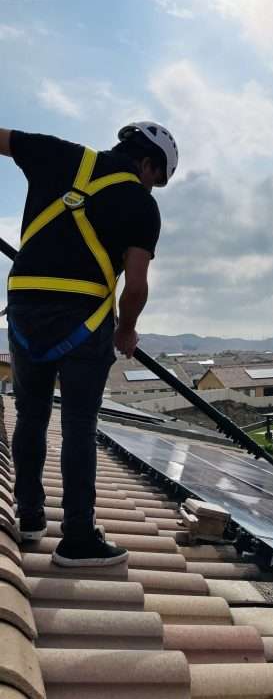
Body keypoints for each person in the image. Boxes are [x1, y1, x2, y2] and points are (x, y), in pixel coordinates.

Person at [0, 122, 178, 566]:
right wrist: (127, 329)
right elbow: (135, 286)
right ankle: (77, 537)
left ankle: (30, 516)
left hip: (24, 311)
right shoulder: (141, 204)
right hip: (84, 319)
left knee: (30, 413)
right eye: (157, 180)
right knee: (79, 423)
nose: (152, 188)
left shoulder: (57, 153)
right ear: (148, 164)